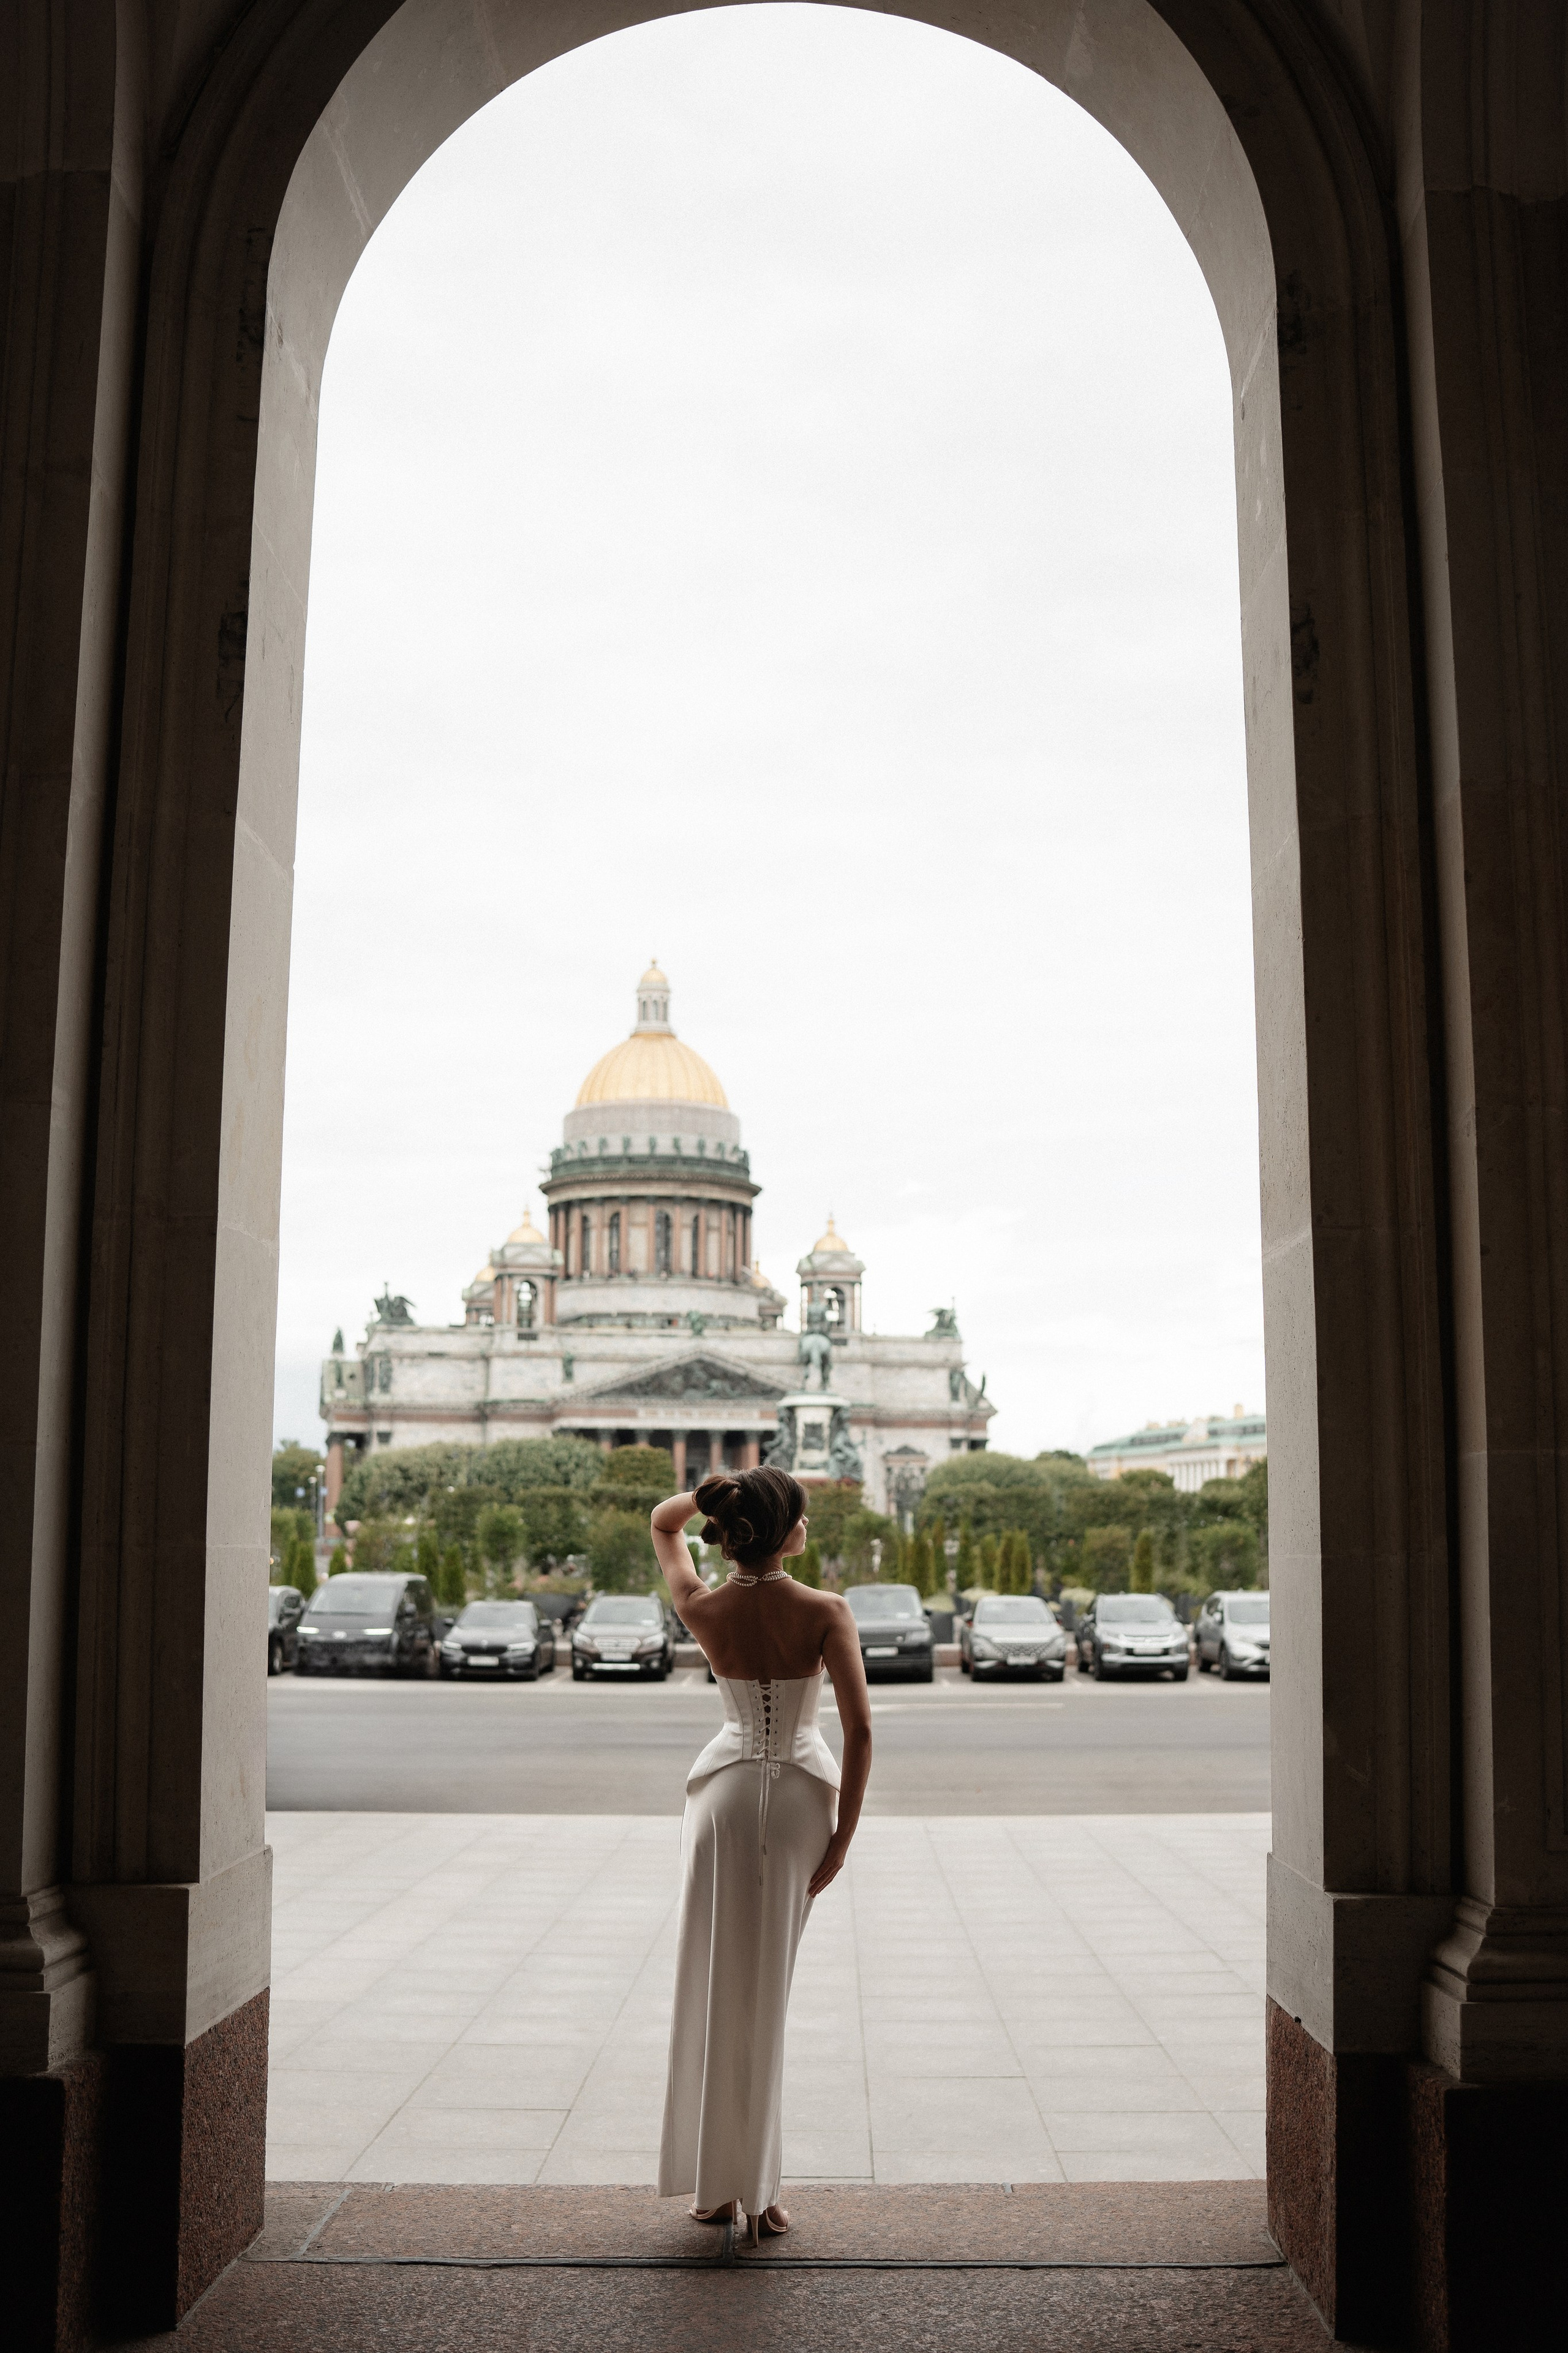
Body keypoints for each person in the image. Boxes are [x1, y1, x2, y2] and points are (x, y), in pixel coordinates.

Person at [650, 1466, 872, 2245]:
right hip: (804, 1800)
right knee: (766, 1992)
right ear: (786, 1532)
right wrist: (843, 1834)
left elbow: (663, 1522)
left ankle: (716, 2189)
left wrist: (720, 1491)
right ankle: (760, 2193)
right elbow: (861, 1730)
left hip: (723, 1798)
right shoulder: (825, 1608)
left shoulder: (702, 1607)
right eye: (802, 1517)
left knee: (714, 1983)